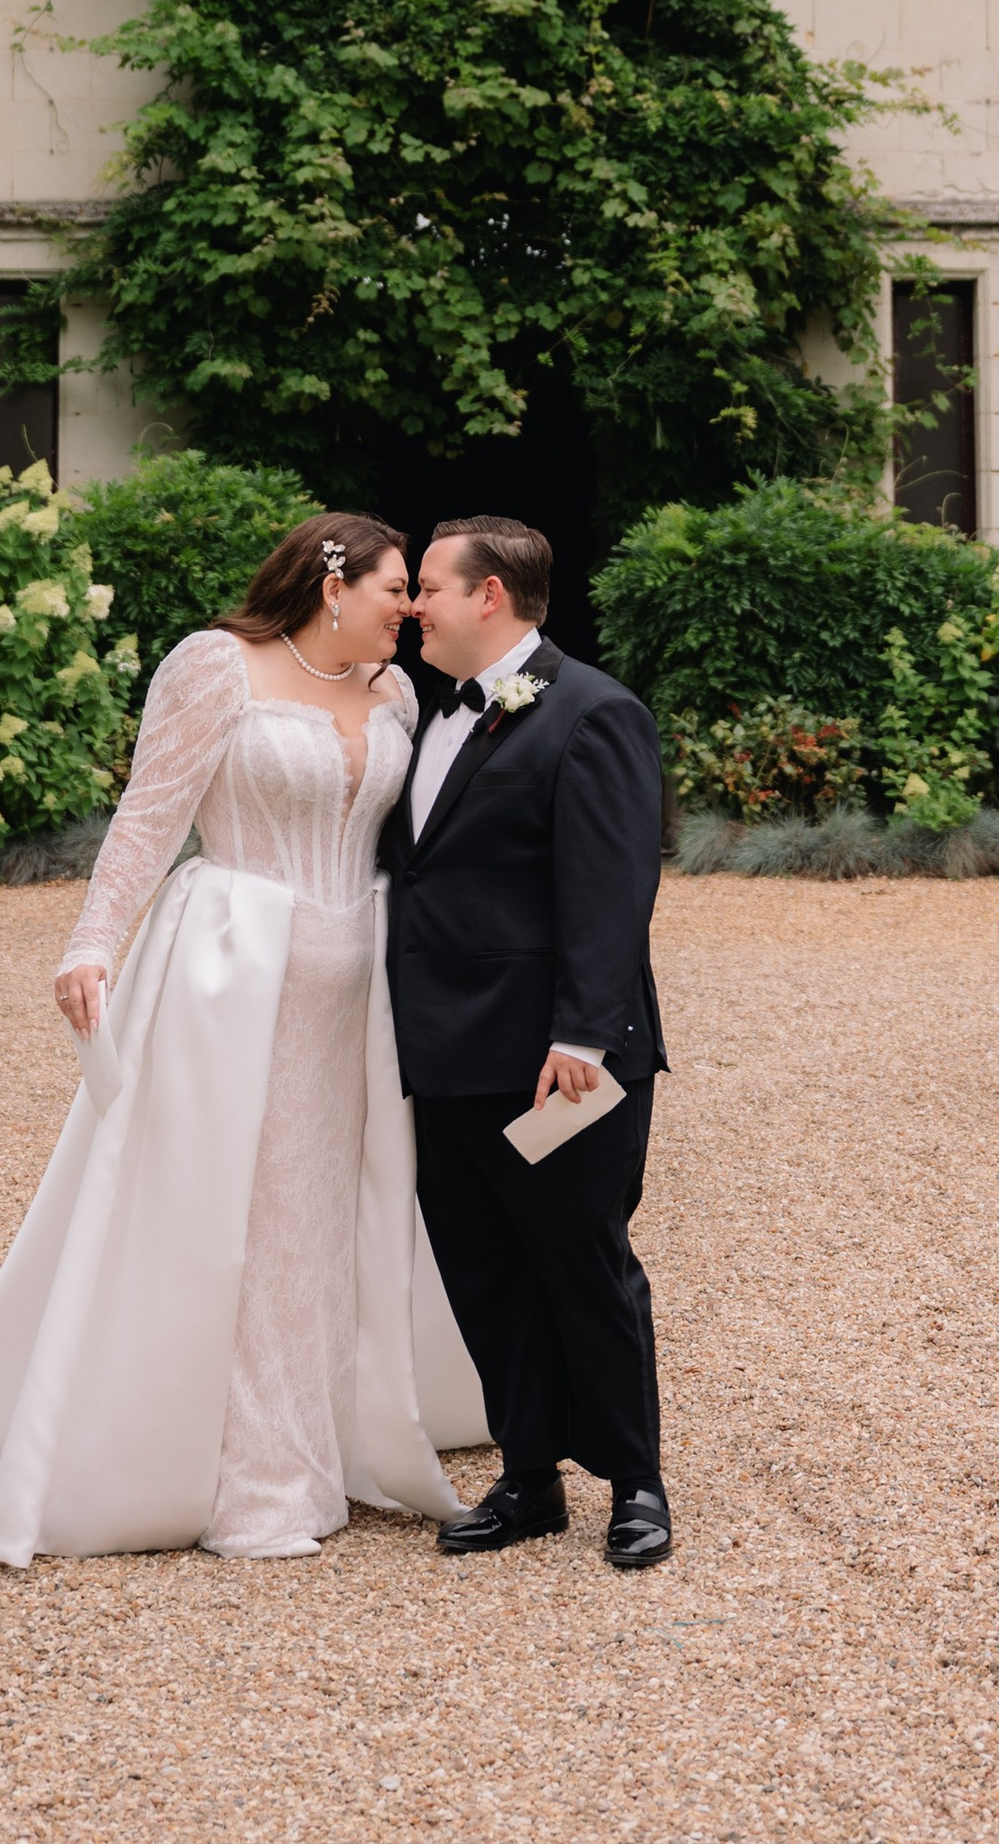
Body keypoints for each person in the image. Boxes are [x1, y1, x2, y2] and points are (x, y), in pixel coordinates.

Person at [0, 513, 486, 1561]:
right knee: (241, 1212)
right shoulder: (216, 666)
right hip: (231, 972)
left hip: (358, 995)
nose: (408, 606)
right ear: (331, 585)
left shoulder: (397, 692)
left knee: (331, 1211)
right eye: (394, 586)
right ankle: (249, 1473)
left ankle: (329, 1428)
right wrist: (91, 941)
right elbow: (149, 814)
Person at [385, 513, 673, 1569]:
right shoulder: (418, 711)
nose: (413, 603)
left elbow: (612, 888)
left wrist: (585, 1036)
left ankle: (635, 1482)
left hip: (560, 1063)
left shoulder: (593, 713)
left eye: (428, 585)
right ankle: (530, 1476)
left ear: (490, 597)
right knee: (483, 1269)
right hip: (446, 1053)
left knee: (584, 1264)